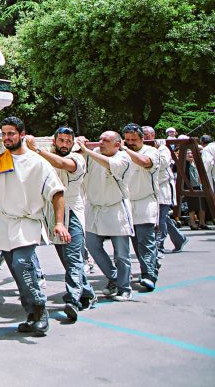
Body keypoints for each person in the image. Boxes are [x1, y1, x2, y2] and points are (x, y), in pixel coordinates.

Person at [0, 117, 68, 337]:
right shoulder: (0, 159)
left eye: (11, 133)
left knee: (23, 264)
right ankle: (31, 314)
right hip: (4, 222)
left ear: (22, 134)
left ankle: (41, 311)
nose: (6, 138)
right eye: (3, 134)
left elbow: (57, 192)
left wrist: (59, 223)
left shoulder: (38, 162)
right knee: (16, 269)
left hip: (26, 222)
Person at [26, 128, 95, 320]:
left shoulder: (77, 158)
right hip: (55, 214)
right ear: (54, 141)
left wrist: (37, 150)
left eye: (68, 141)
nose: (64, 144)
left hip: (72, 212)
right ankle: (87, 293)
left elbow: (63, 164)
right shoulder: (48, 156)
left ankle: (72, 299)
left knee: (73, 258)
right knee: (67, 259)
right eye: (61, 140)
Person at [78, 131, 135, 301]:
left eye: (106, 141)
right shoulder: (92, 154)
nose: (101, 143)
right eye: (100, 139)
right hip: (95, 208)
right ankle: (114, 277)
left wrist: (87, 151)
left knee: (121, 254)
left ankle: (125, 288)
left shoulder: (123, 157)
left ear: (117, 144)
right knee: (91, 245)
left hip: (116, 208)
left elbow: (110, 164)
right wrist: (80, 145)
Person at [120, 124, 161, 291]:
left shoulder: (151, 152)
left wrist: (125, 149)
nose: (130, 143)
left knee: (145, 241)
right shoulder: (121, 154)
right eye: (127, 140)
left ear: (142, 139)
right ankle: (152, 265)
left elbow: (145, 162)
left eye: (133, 140)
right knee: (136, 243)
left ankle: (149, 275)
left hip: (145, 202)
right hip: (127, 204)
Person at [143, 126, 187, 254]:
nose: (144, 137)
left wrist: (154, 152)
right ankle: (179, 238)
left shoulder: (162, 149)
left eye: (146, 134)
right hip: (148, 189)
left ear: (152, 135)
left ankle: (159, 245)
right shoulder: (142, 149)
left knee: (160, 218)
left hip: (162, 188)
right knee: (162, 217)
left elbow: (161, 165)